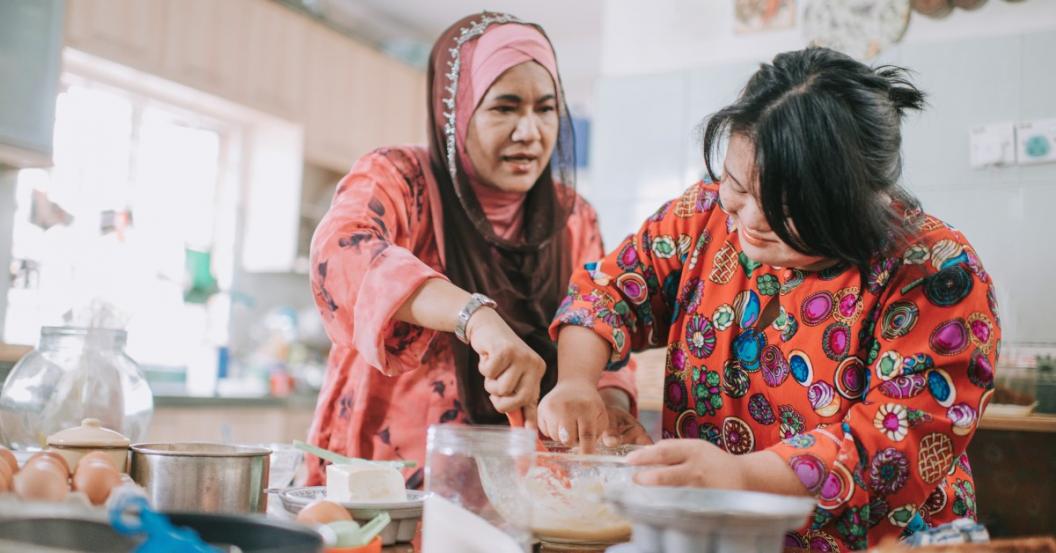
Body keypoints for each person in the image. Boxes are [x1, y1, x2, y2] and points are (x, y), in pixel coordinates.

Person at [539, 47, 1000, 550]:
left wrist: (739, 477)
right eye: (738, 185)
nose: (751, 220)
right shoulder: (706, 215)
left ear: (856, 198)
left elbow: (895, 448)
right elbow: (608, 291)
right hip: (711, 537)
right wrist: (577, 383)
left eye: (784, 205)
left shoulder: (935, 270)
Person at [305, 12, 639, 487]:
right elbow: (339, 256)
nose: (530, 132)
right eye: (504, 107)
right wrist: (475, 317)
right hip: (387, 484)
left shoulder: (572, 216)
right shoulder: (401, 179)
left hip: (526, 483)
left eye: (545, 109)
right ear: (457, 112)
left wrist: (609, 405)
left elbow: (601, 326)